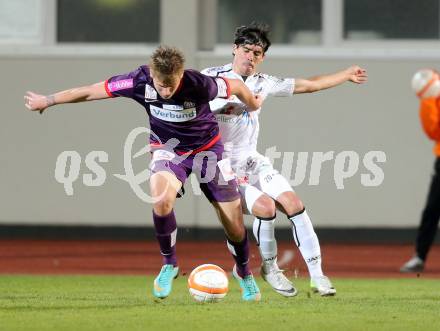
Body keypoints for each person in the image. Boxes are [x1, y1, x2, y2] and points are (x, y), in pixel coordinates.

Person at [24, 45, 263, 301]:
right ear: (153, 76)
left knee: (234, 224)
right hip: (168, 149)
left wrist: (253, 103)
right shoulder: (139, 80)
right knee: (160, 199)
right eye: (162, 86)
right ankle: (169, 264)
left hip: (208, 151)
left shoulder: (201, 84)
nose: (167, 91)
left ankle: (244, 272)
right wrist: (48, 100)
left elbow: (236, 87)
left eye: (172, 85)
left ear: (181, 74)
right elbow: (91, 91)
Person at [202, 23, 367, 297]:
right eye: (246, 50)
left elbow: (310, 85)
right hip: (219, 168)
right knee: (266, 207)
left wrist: (346, 74)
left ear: (262, 57)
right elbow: (182, 101)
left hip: (251, 161)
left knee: (294, 203)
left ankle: (318, 276)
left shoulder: (263, 82)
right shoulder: (209, 78)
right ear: (234, 49)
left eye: (257, 52)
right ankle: (271, 268)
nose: (251, 56)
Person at [400, 96, 440, 273]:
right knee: (432, 210)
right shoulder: (433, 100)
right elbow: (433, 130)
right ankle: (419, 257)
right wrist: (430, 101)